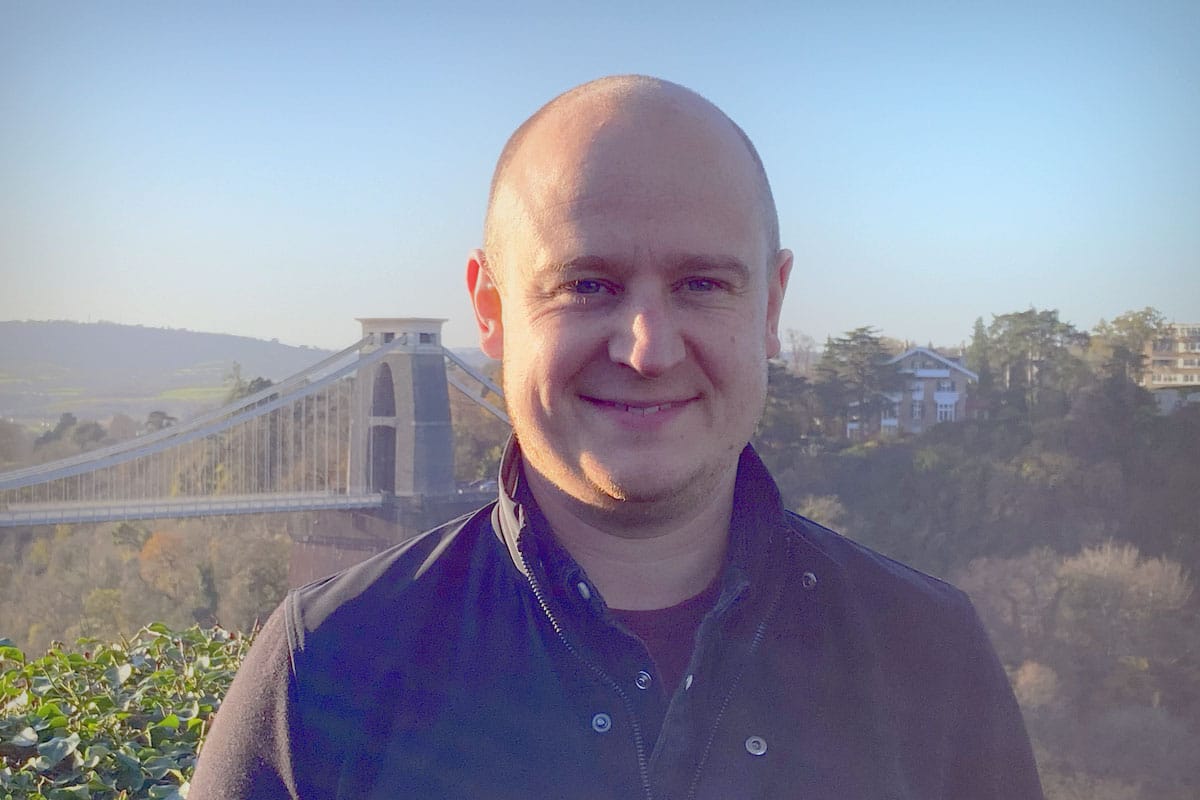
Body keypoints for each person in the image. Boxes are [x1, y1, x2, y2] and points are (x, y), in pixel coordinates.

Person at [191, 75, 1043, 799]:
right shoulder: (325, 665)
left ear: (771, 306)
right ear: (490, 308)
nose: (648, 350)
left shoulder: (931, 654)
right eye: (587, 284)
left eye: (701, 283)